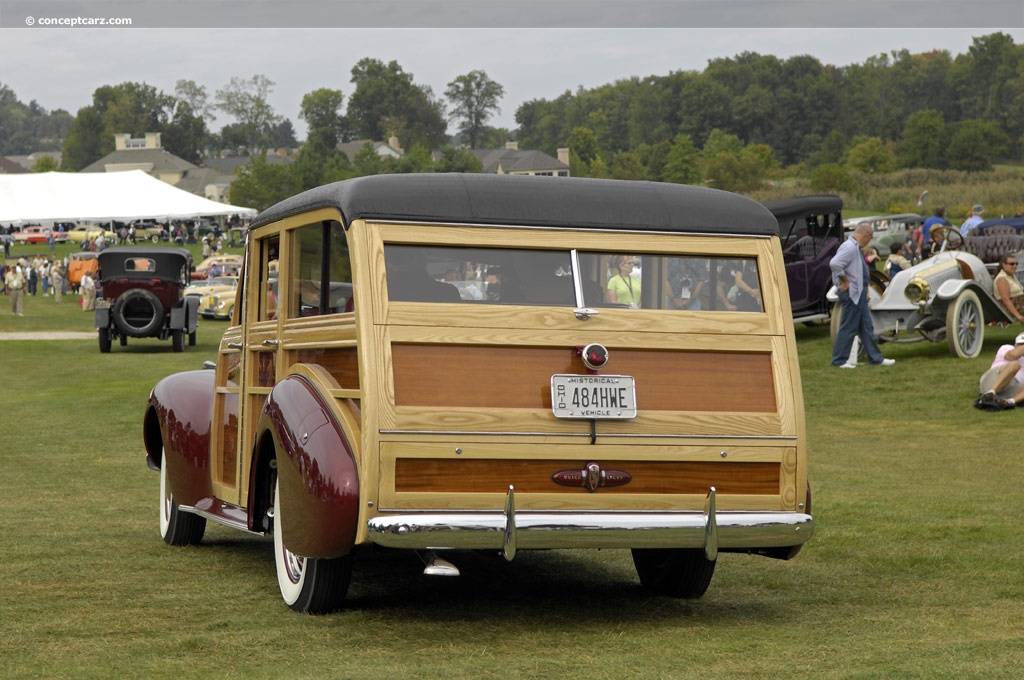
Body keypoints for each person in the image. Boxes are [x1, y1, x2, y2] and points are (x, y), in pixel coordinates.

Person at [829, 222, 895, 368]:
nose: (869, 241)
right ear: (867, 235)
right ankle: (839, 360)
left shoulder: (853, 246)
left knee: (866, 327)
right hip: (852, 294)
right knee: (848, 327)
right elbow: (835, 264)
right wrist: (844, 281)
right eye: (870, 238)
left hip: (859, 294)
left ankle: (875, 358)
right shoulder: (850, 247)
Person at [975, 332, 1024, 410]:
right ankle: (990, 393)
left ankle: (1009, 402)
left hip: (1010, 387)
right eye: (1021, 344)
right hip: (993, 380)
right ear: (1016, 345)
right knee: (1015, 365)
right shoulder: (1007, 348)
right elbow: (1013, 355)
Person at [993, 254, 1024, 324]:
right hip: (1014, 306)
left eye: (1016, 264)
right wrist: (1018, 316)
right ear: (1004, 265)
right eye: (1012, 264)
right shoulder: (1002, 278)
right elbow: (1005, 299)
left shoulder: (1011, 276)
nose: (1015, 266)